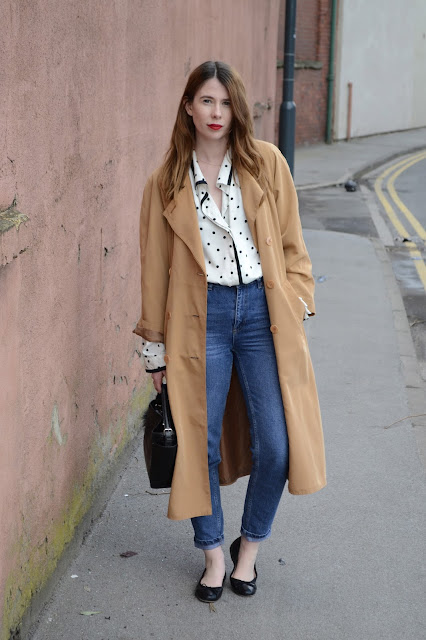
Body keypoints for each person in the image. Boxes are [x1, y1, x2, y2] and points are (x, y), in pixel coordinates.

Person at [133, 60, 326, 603]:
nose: (216, 113)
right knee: (201, 444)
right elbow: (152, 272)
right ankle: (214, 555)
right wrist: (156, 354)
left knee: (278, 447)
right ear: (189, 108)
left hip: (263, 315)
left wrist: (298, 303)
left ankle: (251, 549)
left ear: (235, 107)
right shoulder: (166, 182)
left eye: (224, 102)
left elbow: (293, 245)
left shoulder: (265, 163)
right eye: (205, 102)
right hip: (201, 320)